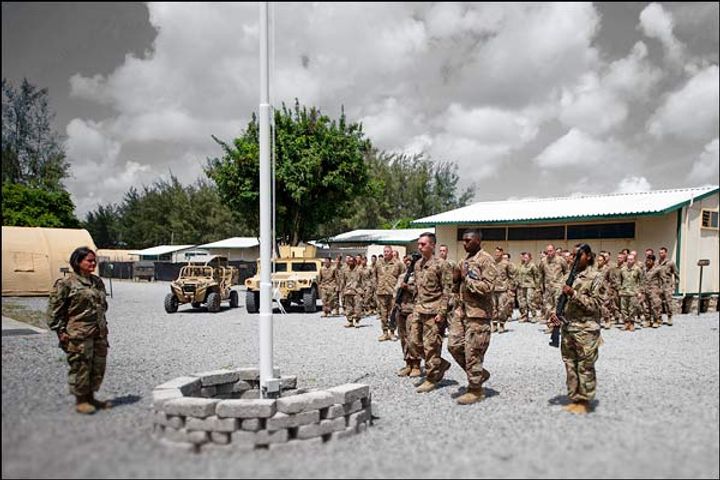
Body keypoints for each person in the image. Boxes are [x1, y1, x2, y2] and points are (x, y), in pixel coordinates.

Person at [47, 246, 112, 415]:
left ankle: (91, 397)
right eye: (89, 261)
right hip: (78, 335)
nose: (93, 263)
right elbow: (54, 311)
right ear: (78, 262)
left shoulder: (97, 282)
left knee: (97, 367)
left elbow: (102, 305)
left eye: (94, 261)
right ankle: (81, 400)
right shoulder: (66, 284)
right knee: (81, 366)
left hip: (98, 333)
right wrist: (61, 332)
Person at [548, 243, 603, 415]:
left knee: (585, 366)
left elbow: (597, 305)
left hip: (586, 330)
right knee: (570, 365)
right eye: (573, 255)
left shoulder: (596, 277)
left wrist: (574, 294)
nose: (574, 259)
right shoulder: (567, 277)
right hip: (568, 328)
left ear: (588, 256)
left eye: (578, 255)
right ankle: (575, 398)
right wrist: (554, 314)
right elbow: (558, 300)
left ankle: (584, 401)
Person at [449, 230, 497, 405]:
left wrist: (466, 279)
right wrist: (456, 279)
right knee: (454, 346)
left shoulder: (486, 260)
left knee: (473, 352)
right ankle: (479, 373)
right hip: (462, 311)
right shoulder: (464, 261)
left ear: (478, 241)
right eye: (463, 240)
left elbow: (488, 287)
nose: (465, 243)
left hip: (478, 314)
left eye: (468, 240)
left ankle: (475, 389)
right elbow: (456, 285)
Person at [412, 232, 453, 393]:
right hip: (419, 309)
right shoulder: (417, 265)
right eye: (419, 244)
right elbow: (418, 289)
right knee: (414, 342)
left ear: (432, 245)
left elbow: (447, 290)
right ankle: (440, 364)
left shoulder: (442, 265)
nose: (419, 247)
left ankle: (431, 378)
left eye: (423, 244)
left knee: (431, 346)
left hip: (434, 310)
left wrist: (442, 312)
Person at [394, 254, 422, 378]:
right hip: (401, 309)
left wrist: (408, 288)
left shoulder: (419, 276)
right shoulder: (402, 276)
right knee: (403, 338)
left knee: (413, 339)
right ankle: (408, 363)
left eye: (410, 260)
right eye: (407, 260)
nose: (408, 262)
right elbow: (396, 291)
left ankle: (416, 364)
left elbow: (421, 292)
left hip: (413, 309)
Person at [538, 244, 569, 333]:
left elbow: (566, 272)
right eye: (548, 251)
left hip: (558, 287)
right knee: (548, 307)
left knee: (558, 306)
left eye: (551, 251)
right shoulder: (543, 261)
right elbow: (540, 274)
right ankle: (551, 325)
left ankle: (557, 326)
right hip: (548, 288)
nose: (549, 253)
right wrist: (540, 286)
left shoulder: (561, 260)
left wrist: (564, 283)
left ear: (554, 250)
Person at [375, 246, 403, 342]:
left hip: (393, 292)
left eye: (388, 251)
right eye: (384, 251)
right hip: (381, 292)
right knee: (383, 313)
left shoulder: (398, 263)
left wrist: (399, 289)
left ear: (391, 252)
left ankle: (392, 332)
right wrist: (377, 286)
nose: (386, 253)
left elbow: (402, 277)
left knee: (393, 313)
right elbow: (375, 276)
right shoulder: (378, 263)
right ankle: (384, 332)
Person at [339, 256, 364, 328]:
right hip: (348, 291)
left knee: (357, 307)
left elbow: (363, 281)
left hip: (357, 291)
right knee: (348, 307)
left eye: (352, 261)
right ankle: (350, 321)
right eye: (349, 261)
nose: (350, 262)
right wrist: (342, 290)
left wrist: (363, 291)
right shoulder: (345, 270)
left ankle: (356, 321)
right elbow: (343, 281)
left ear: (355, 262)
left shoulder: (359, 270)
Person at [642, 254, 665, 328]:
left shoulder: (658, 269)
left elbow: (663, 280)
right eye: (647, 260)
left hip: (654, 290)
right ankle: (647, 320)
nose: (647, 262)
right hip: (646, 290)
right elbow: (643, 279)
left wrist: (661, 290)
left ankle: (656, 320)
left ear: (653, 261)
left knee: (655, 306)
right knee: (646, 306)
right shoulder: (645, 269)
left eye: (649, 261)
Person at [658, 247, 679, 326]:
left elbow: (676, 273)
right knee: (658, 302)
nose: (660, 254)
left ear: (666, 253)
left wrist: (675, 284)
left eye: (662, 253)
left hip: (667, 285)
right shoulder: (657, 263)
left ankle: (669, 317)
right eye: (660, 253)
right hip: (659, 285)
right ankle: (659, 318)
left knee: (668, 302)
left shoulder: (670, 263)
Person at [516, 252, 538, 323]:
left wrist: (537, 287)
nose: (525, 259)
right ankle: (525, 316)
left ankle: (534, 316)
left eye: (526, 257)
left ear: (530, 258)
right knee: (523, 302)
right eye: (524, 257)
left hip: (530, 285)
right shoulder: (522, 266)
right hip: (522, 286)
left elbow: (537, 276)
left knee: (530, 301)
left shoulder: (532, 266)